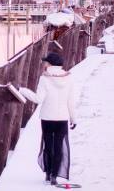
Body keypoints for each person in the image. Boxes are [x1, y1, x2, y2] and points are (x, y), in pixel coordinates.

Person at [18, 52, 77, 185]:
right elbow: (70, 101)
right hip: (62, 118)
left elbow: (38, 99)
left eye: (46, 62)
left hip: (47, 118)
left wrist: (22, 90)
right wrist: (74, 118)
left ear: (50, 64)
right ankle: (55, 176)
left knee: (48, 146)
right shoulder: (69, 78)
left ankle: (48, 173)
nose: (44, 64)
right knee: (59, 147)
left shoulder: (44, 79)